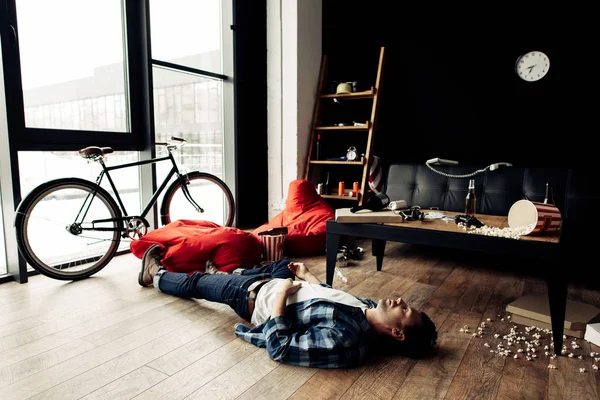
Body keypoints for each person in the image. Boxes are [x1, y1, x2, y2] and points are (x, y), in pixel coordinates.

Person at [138, 244, 438, 368]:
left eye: (405, 310)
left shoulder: (346, 340)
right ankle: (227, 275)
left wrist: (282, 292)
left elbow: (281, 348)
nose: (400, 301)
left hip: (256, 297)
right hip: (282, 286)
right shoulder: (367, 309)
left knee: (197, 283)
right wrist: (309, 277)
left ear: (397, 333)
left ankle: (156, 275)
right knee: (283, 263)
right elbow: (330, 299)